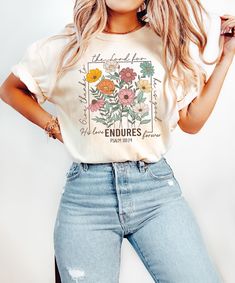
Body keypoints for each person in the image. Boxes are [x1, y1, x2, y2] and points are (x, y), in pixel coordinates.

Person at [1, 0, 234, 282]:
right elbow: (11, 89)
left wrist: (226, 56)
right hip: (86, 201)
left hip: (156, 194)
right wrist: (53, 126)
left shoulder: (167, 44)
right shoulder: (64, 48)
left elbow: (192, 122)